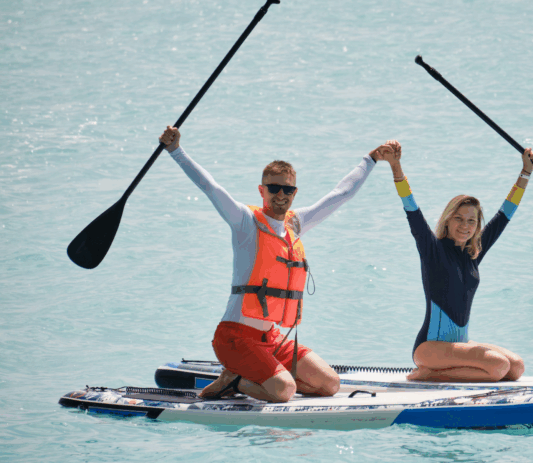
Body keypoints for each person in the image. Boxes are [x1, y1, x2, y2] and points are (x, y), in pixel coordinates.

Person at [159, 126, 395, 402]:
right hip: (235, 339)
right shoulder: (245, 222)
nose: (281, 194)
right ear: (262, 190)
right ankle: (235, 381)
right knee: (285, 391)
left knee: (330, 384)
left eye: (288, 189)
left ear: (295, 192)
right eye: (274, 188)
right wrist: (176, 151)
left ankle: (254, 377)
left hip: (271, 339)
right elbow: (211, 187)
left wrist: (371, 160)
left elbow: (340, 194)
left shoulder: (295, 223)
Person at [379, 141, 533, 382]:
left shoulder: (474, 254)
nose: (465, 226)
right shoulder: (432, 249)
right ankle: (429, 373)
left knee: (515, 367)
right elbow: (411, 207)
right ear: (447, 220)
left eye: (471, 221)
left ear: (477, 226)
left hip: (458, 346)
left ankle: (439, 372)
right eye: (459, 219)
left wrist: (525, 172)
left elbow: (505, 214)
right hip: (430, 347)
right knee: (497, 367)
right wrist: (396, 167)